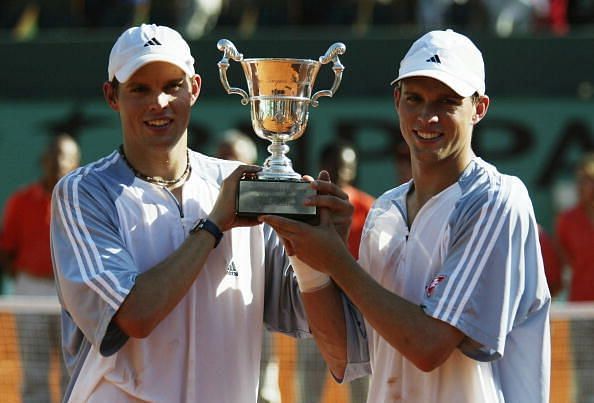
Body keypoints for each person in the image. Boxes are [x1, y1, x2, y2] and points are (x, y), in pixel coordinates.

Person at [50, 23, 369, 403]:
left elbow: (340, 351)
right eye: (140, 88)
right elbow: (135, 315)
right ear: (112, 96)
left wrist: (317, 250)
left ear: (195, 89)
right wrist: (215, 225)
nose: (159, 102)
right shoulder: (83, 193)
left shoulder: (241, 187)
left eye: (172, 86)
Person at [261, 29, 551, 402]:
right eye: (415, 98)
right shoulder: (385, 210)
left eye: (447, 101)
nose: (427, 117)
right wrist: (309, 256)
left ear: (478, 108)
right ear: (397, 100)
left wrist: (335, 258)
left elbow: (428, 346)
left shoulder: (496, 199)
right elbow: (346, 356)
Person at [0, 133, 80, 403]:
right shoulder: (20, 201)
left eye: (66, 157)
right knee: (34, 369)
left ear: (76, 164)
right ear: (44, 161)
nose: (60, 162)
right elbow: (7, 250)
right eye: (55, 156)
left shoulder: (85, 203)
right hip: (30, 290)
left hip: (73, 292)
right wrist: (29, 279)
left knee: (74, 370)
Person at [298, 142, 374, 403]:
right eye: (335, 166)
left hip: (358, 309)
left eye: (347, 167)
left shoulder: (369, 208)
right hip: (317, 303)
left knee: (363, 390)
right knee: (309, 388)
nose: (341, 172)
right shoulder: (308, 205)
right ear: (324, 167)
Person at [555, 152, 594, 403]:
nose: (582, 186)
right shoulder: (567, 221)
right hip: (579, 310)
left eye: (587, 180)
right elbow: (566, 261)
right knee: (585, 380)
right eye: (579, 180)